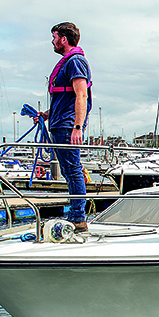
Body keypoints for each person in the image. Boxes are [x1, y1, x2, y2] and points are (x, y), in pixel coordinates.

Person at [34, 22, 91, 231]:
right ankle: (76, 215)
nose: (52, 41)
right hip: (59, 122)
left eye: (54, 37)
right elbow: (65, 97)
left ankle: (78, 219)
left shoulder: (75, 62)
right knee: (68, 171)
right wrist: (47, 115)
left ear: (63, 39)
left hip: (67, 125)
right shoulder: (68, 63)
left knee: (73, 170)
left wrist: (77, 126)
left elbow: (81, 94)